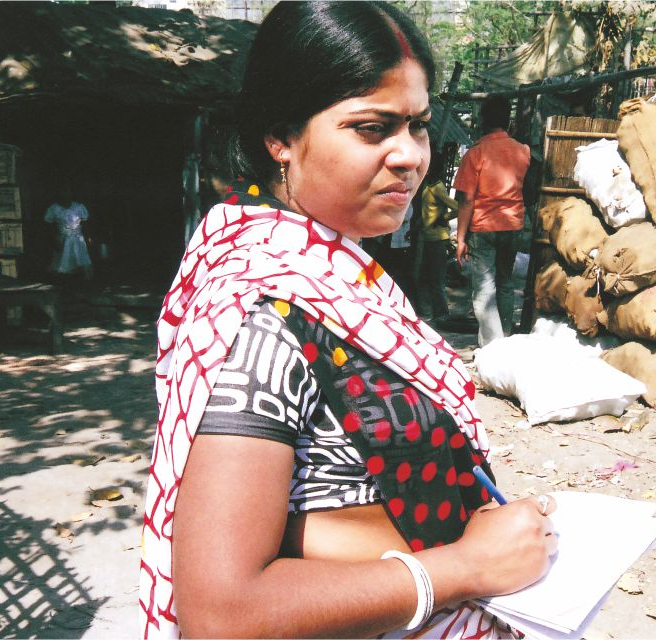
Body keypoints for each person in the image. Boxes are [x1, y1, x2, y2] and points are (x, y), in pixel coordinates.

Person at [137, 3, 555, 637]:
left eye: (416, 126)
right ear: (281, 136)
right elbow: (221, 613)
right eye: (371, 128)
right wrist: (463, 568)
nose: (410, 155)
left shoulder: (333, 266)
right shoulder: (263, 314)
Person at [453, 95, 530, 347]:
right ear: (507, 119)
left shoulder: (476, 153)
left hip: (484, 227)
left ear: (483, 119)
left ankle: (493, 348)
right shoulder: (523, 151)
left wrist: (461, 238)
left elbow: (466, 201)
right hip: (513, 225)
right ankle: (504, 340)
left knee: (485, 289)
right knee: (505, 283)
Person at [415, 145, 459, 325]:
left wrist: (444, 217)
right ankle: (437, 314)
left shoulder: (438, 187)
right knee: (430, 278)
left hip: (438, 239)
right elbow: (426, 211)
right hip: (428, 237)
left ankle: (441, 316)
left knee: (437, 281)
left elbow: (457, 208)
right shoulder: (428, 184)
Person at [44, 184, 92, 280]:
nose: (65, 194)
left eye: (67, 191)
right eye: (63, 192)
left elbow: (85, 224)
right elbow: (49, 225)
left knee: (80, 262)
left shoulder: (79, 207)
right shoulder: (54, 208)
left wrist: (88, 238)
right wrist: (54, 238)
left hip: (78, 240)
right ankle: (65, 284)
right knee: (63, 265)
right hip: (62, 240)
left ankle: (80, 286)